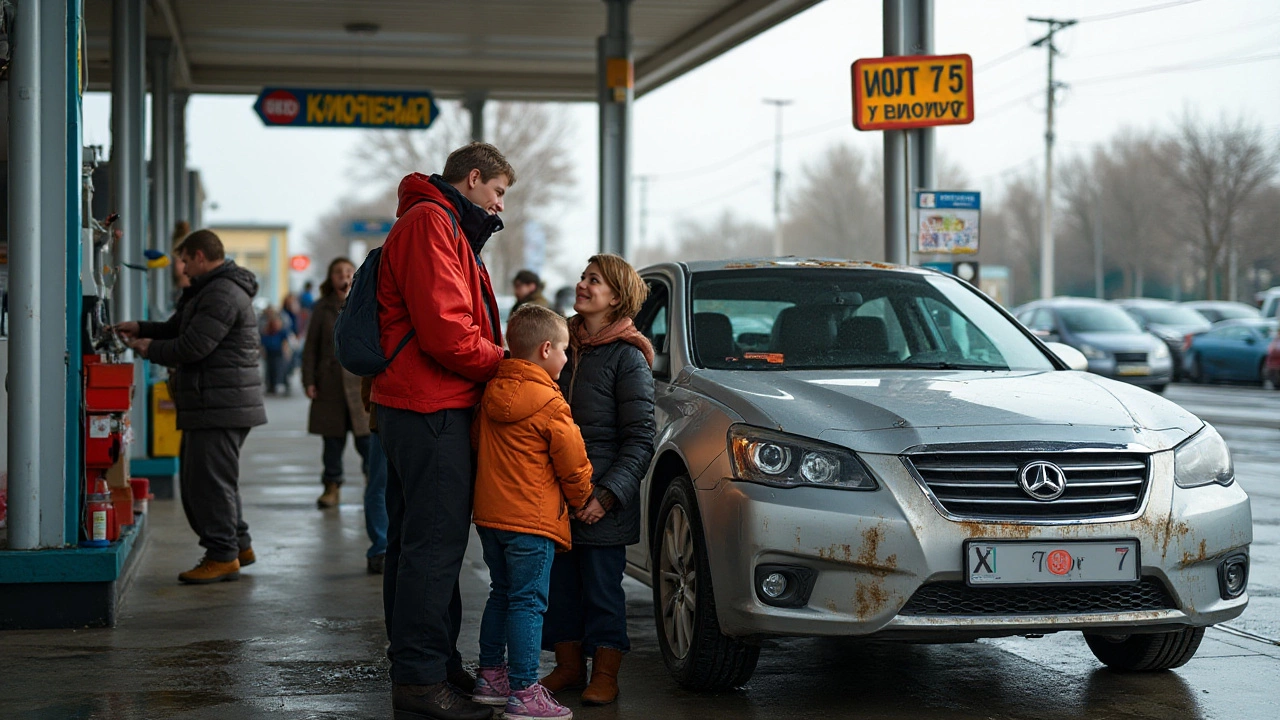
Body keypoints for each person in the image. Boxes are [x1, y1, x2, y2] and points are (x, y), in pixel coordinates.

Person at [371, 142, 514, 720]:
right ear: (473, 178)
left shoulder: (434, 220)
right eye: (499, 192)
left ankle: (430, 666)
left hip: (416, 403)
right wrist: (507, 364)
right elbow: (449, 333)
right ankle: (422, 681)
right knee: (433, 549)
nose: (500, 205)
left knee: (414, 548)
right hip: (431, 406)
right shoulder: (433, 223)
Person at [114, 230, 267, 584]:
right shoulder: (210, 289)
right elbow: (178, 329)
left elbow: (194, 346)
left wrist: (149, 347)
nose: (180, 267)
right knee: (217, 482)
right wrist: (141, 328)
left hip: (219, 403)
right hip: (214, 401)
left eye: (184, 260)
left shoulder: (222, 293)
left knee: (206, 486)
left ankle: (221, 554)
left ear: (200, 256)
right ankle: (237, 546)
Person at [469, 305, 598, 720]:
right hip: (532, 520)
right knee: (528, 602)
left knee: (501, 593)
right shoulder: (550, 401)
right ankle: (525, 692)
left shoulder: (491, 391)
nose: (566, 357)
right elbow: (573, 461)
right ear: (545, 349)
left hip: (491, 517)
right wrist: (582, 501)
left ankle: (491, 677)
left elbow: (475, 442)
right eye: (563, 349)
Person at [540, 254, 655, 706]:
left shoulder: (628, 358)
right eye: (583, 277)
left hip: (601, 499)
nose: (583, 285)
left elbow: (640, 439)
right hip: (552, 494)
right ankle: (569, 667)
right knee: (558, 587)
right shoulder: (557, 342)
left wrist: (606, 496)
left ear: (617, 297)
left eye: (595, 281)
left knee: (603, 590)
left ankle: (605, 674)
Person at [302, 257, 371, 510]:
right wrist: (308, 380)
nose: (343, 276)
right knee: (332, 442)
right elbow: (310, 348)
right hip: (329, 385)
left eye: (348, 271)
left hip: (359, 383)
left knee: (367, 441)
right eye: (338, 272)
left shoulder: (366, 302)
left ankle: (373, 485)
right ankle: (331, 486)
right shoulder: (322, 308)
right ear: (330, 278)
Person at [360, 377, 389, 575]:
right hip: (386, 407)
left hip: (385, 406)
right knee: (380, 486)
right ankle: (382, 547)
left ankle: (383, 548)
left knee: (380, 485)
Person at [260, 306, 294, 395]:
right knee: (270, 369)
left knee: (280, 369)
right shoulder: (267, 330)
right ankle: (270, 386)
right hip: (270, 352)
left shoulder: (282, 330)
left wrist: (286, 351)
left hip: (279, 352)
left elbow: (285, 341)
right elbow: (263, 342)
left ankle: (282, 384)